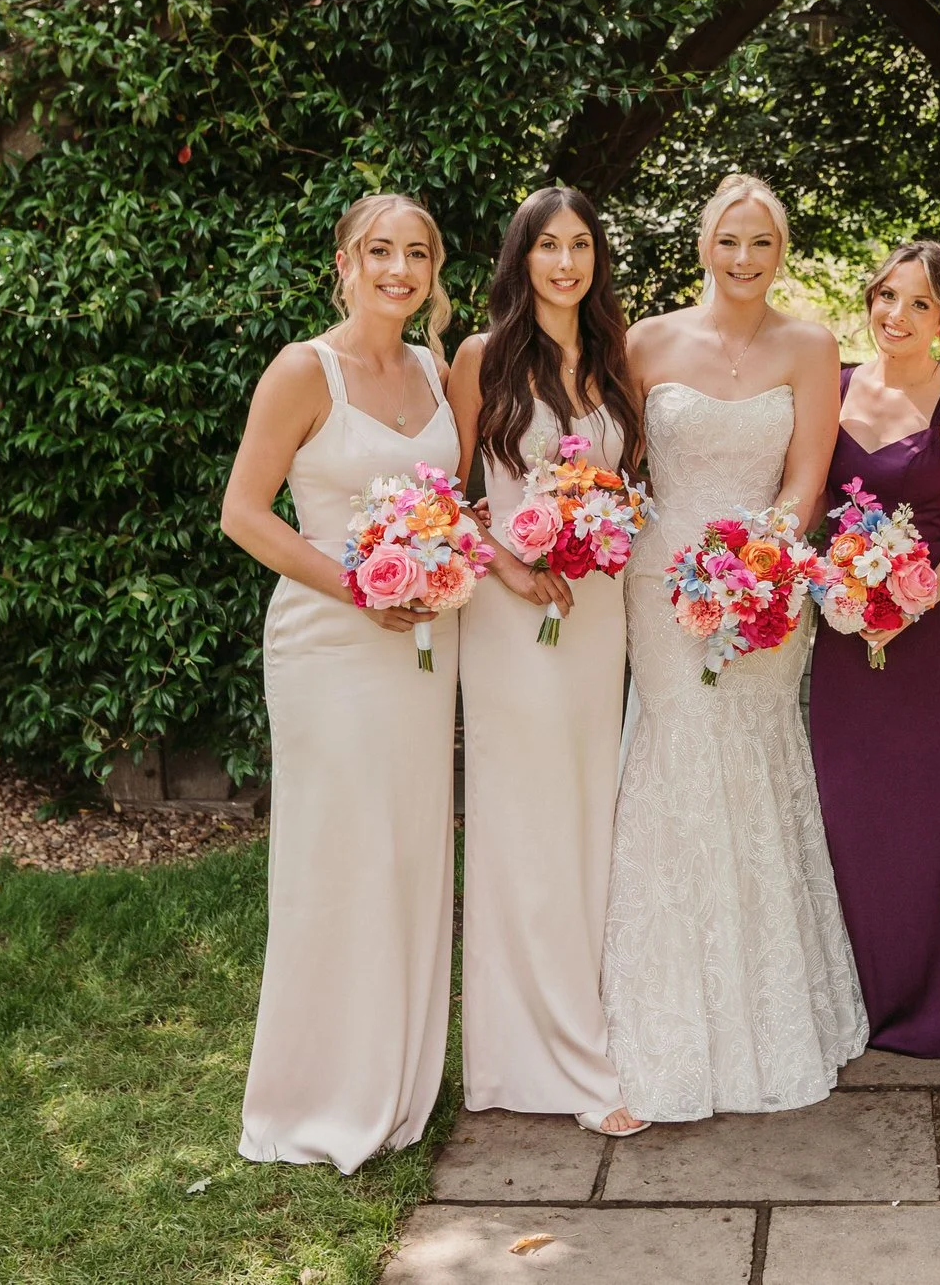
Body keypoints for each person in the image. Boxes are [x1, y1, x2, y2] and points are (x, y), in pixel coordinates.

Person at [602, 173, 869, 1122]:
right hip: (659, 585)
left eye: (761, 242)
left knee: (757, 763)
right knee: (673, 761)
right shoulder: (646, 342)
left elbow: (807, 478)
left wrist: (759, 566)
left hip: (766, 586)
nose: (744, 259)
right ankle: (660, 1018)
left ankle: (772, 1013)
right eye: (729, 241)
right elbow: (618, 467)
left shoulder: (810, 344)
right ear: (704, 244)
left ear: (781, 249)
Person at [221, 192, 462, 1172]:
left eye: (416, 254)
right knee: (339, 857)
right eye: (380, 252)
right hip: (331, 639)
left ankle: (398, 1085)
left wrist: (438, 569)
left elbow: (448, 502)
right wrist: (360, 585)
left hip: (421, 648)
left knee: (408, 852)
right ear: (345, 262)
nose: (398, 270)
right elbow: (243, 512)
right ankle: (315, 1095)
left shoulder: (435, 370)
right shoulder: (301, 370)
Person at [447, 186, 647, 1138]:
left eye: (581, 246)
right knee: (523, 819)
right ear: (519, 257)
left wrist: (607, 532)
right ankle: (557, 1059)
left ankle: (582, 1021)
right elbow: (448, 499)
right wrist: (512, 571)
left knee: (586, 813)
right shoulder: (482, 358)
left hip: (595, 611)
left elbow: (633, 485)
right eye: (547, 247)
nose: (565, 263)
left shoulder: (615, 359)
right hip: (512, 613)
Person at [808, 241, 940, 1059]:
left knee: (935, 818)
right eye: (887, 296)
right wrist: (838, 596)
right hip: (847, 641)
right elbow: (806, 505)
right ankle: (857, 997)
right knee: (850, 817)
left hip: (935, 645)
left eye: (919, 304)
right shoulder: (835, 388)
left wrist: (916, 599)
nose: (897, 316)